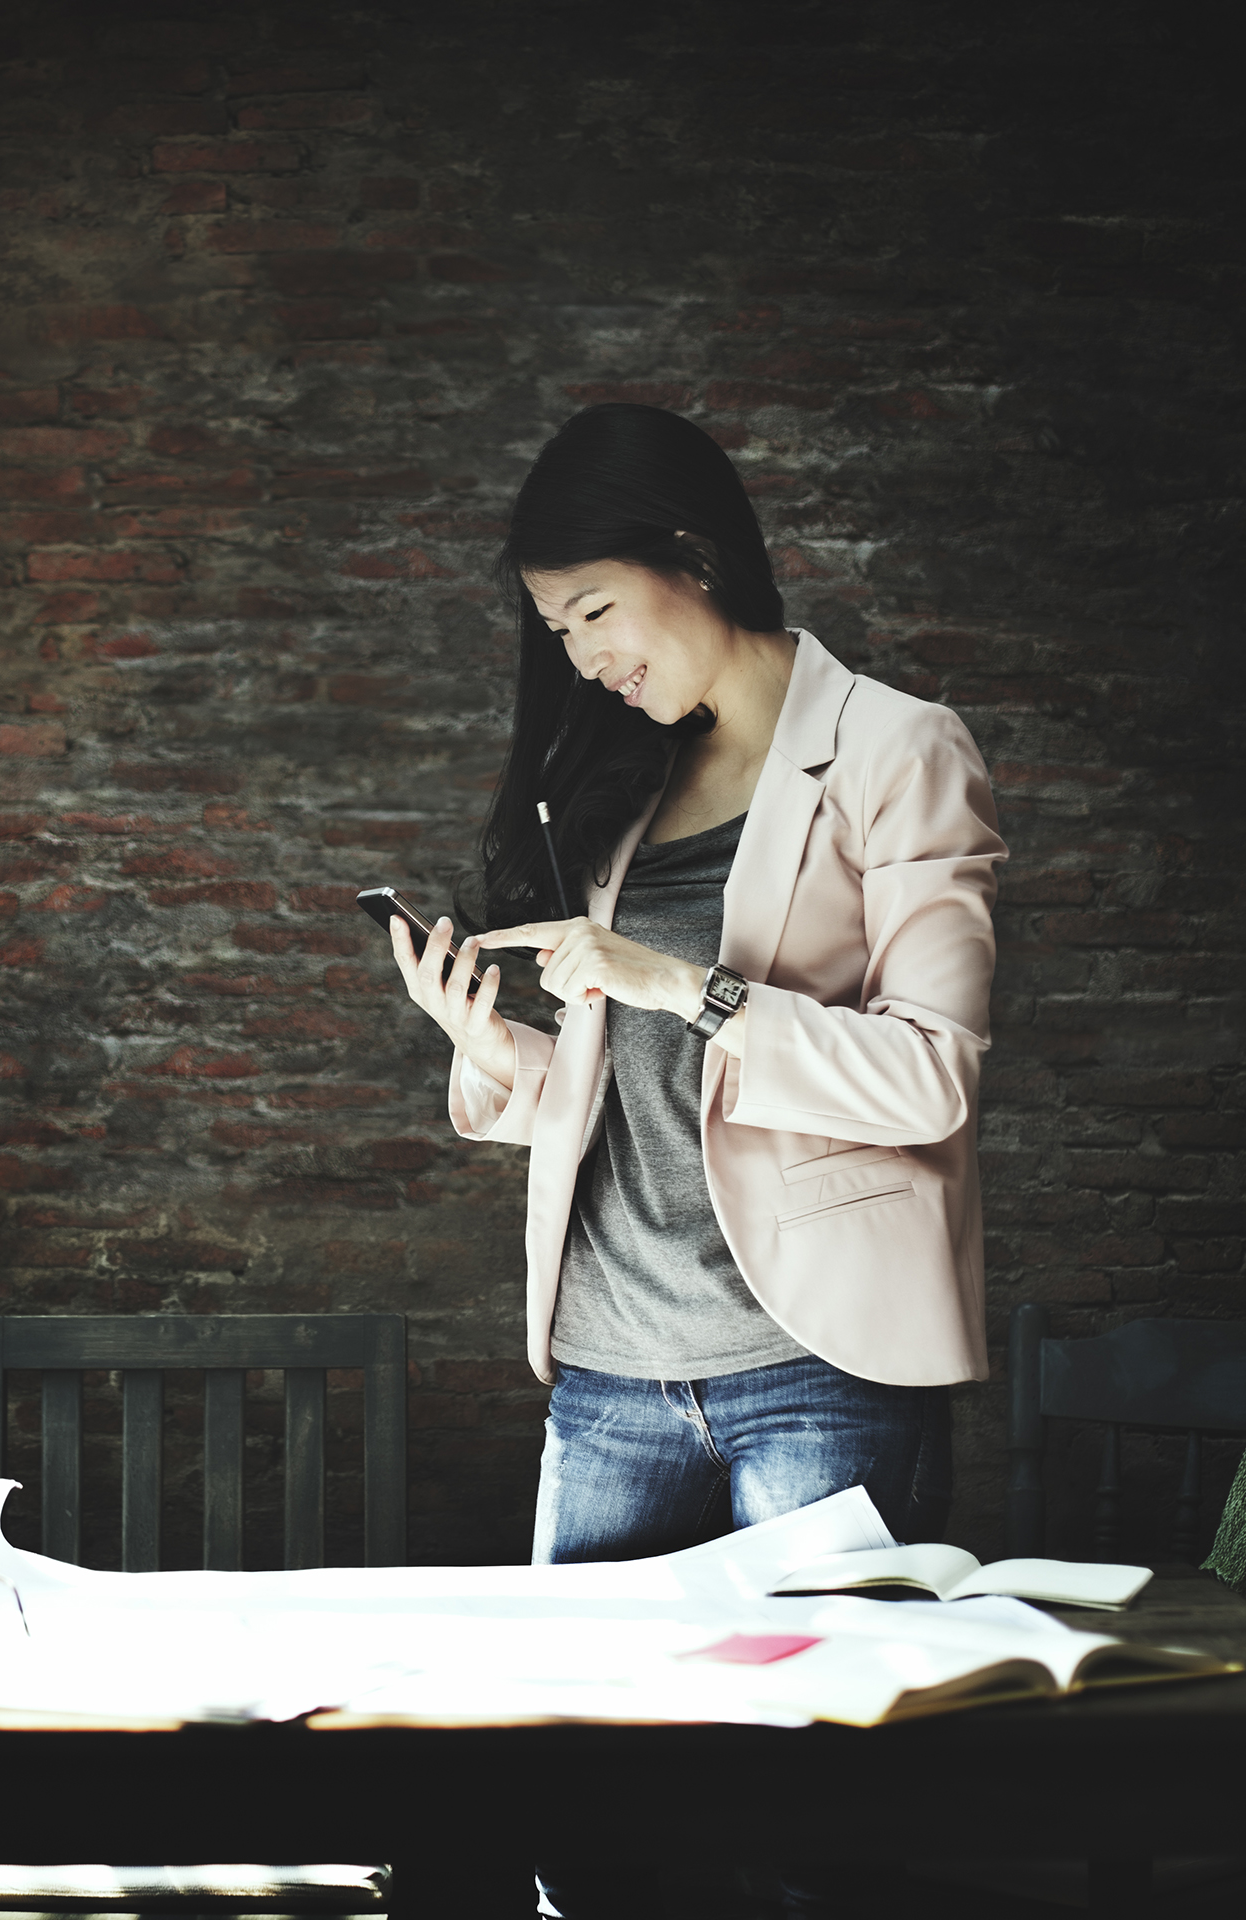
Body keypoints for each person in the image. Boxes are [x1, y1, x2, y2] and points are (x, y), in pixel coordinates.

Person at [388, 404, 1008, 1572]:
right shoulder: (630, 774)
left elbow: (930, 1081)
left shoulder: (901, 750)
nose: (580, 657)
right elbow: (629, 1087)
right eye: (555, 627)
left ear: (696, 556)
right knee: (583, 1747)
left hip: (819, 1374)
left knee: (812, 1745)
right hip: (608, 1376)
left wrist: (685, 985)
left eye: (594, 611)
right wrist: (482, 1047)